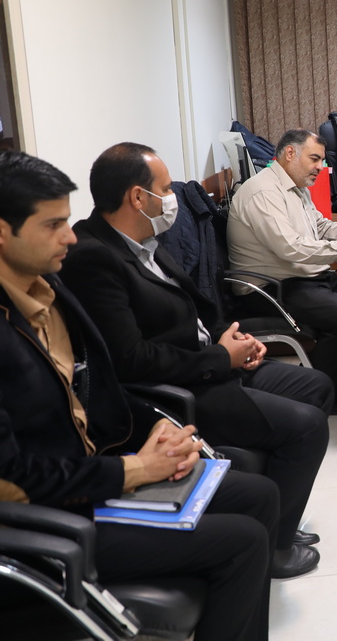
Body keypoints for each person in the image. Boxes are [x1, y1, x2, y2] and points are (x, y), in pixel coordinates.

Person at [0, 150, 276, 641]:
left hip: (99, 468)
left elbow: (98, 386)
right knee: (245, 542)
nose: (70, 236)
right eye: (53, 225)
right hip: (52, 518)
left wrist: (158, 430)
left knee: (256, 494)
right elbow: (15, 475)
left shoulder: (50, 289)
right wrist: (136, 470)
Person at [60, 142, 330, 579]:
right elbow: (131, 359)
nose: (173, 199)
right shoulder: (94, 257)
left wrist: (230, 337)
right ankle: (275, 548)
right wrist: (221, 357)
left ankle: (280, 517)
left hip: (212, 360)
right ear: (137, 197)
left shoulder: (146, 240)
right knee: (308, 426)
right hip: (183, 388)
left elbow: (196, 308)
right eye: (166, 189)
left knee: (316, 387)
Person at [228, 128, 337, 414]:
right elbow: (290, 248)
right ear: (290, 153)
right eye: (315, 159)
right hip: (269, 288)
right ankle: (318, 394)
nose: (320, 167)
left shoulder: (296, 187)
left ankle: (330, 378)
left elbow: (321, 226)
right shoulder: (263, 192)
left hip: (299, 276)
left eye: (321, 161)